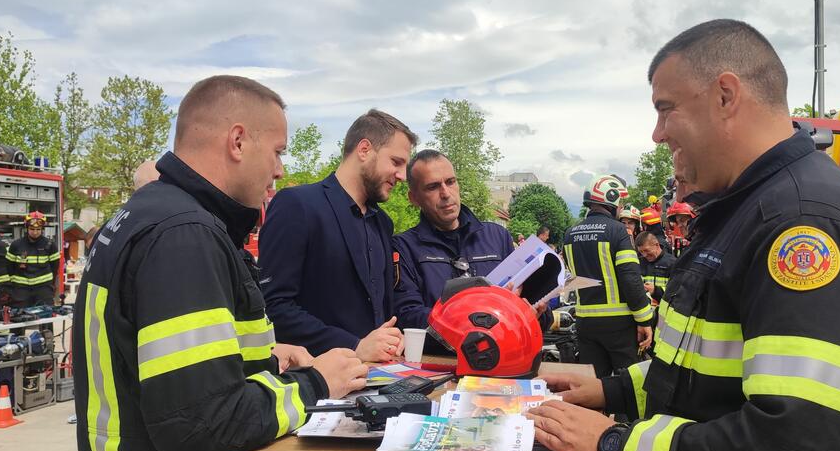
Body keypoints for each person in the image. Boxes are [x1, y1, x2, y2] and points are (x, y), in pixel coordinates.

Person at [528, 19, 840, 451]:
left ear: (725, 96)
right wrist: (608, 390)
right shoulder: (748, 210)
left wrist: (614, 442)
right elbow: (714, 371)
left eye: (665, 108)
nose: (657, 134)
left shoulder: (804, 226)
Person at [72, 75, 368, 451]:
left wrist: (257, 361)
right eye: (278, 151)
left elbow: (159, 364)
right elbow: (201, 425)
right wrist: (317, 383)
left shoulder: (150, 214)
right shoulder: (183, 236)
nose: (279, 170)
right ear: (238, 141)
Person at [260, 109, 417, 362]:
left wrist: (391, 338)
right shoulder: (297, 205)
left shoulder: (383, 223)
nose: (402, 176)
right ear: (364, 149)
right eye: (396, 162)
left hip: (381, 380)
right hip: (316, 385)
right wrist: (354, 345)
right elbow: (273, 307)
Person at [392, 150, 551, 334]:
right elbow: (408, 318)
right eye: (433, 187)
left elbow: (537, 311)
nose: (445, 193)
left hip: (500, 358)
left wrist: (538, 314)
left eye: (450, 182)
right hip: (439, 360)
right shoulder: (403, 248)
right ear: (414, 199)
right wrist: (478, 317)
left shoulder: (498, 237)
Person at [562, 174, 654, 378]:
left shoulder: (569, 233)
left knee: (593, 386)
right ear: (610, 200)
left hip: (585, 323)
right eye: (619, 202)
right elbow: (630, 277)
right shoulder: (618, 230)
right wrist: (644, 319)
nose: (621, 208)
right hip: (619, 325)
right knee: (627, 386)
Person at [5, 211, 59, 307]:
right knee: (20, 317)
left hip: (43, 289)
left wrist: (50, 286)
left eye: (38, 229)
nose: (35, 232)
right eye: (32, 229)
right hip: (21, 290)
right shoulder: (16, 245)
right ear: (27, 228)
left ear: (42, 229)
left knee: (46, 317)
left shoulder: (50, 245)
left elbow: (55, 268)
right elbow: (9, 267)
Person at [634, 231, 674, 307]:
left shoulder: (672, 263)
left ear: (657, 245)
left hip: (663, 312)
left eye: (646, 250)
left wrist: (655, 291)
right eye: (641, 252)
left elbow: (677, 293)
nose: (644, 255)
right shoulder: (638, 262)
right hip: (645, 311)